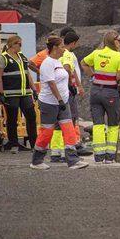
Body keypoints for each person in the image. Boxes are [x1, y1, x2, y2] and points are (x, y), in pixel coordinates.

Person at [29, 36, 88, 170]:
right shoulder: (48, 63)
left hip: (63, 102)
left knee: (69, 130)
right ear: (55, 48)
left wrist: (70, 87)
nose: (64, 49)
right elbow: (51, 83)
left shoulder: (57, 62)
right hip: (50, 103)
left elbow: (62, 77)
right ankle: (37, 160)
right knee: (47, 132)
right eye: (61, 47)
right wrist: (59, 99)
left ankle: (73, 160)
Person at [81, 31, 120, 163]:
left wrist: (92, 76)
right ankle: (110, 157)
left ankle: (99, 156)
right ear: (114, 41)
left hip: (95, 91)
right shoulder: (119, 56)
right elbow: (119, 77)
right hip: (110, 92)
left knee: (98, 124)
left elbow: (83, 63)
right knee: (113, 124)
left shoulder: (97, 53)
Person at [50, 30, 89, 162]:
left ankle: (56, 152)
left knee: (57, 124)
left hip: (56, 91)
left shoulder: (54, 56)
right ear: (73, 43)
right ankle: (66, 152)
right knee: (68, 121)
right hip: (65, 91)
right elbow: (67, 69)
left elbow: (72, 71)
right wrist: (72, 85)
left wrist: (78, 84)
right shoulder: (67, 54)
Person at [0, 35, 38, 152]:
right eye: (19, 44)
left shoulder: (22, 56)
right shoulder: (3, 58)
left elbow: (27, 74)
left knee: (31, 116)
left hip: (25, 93)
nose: (21, 46)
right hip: (11, 94)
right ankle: (13, 143)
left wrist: (34, 89)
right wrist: (1, 93)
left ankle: (35, 143)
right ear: (12, 44)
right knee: (12, 118)